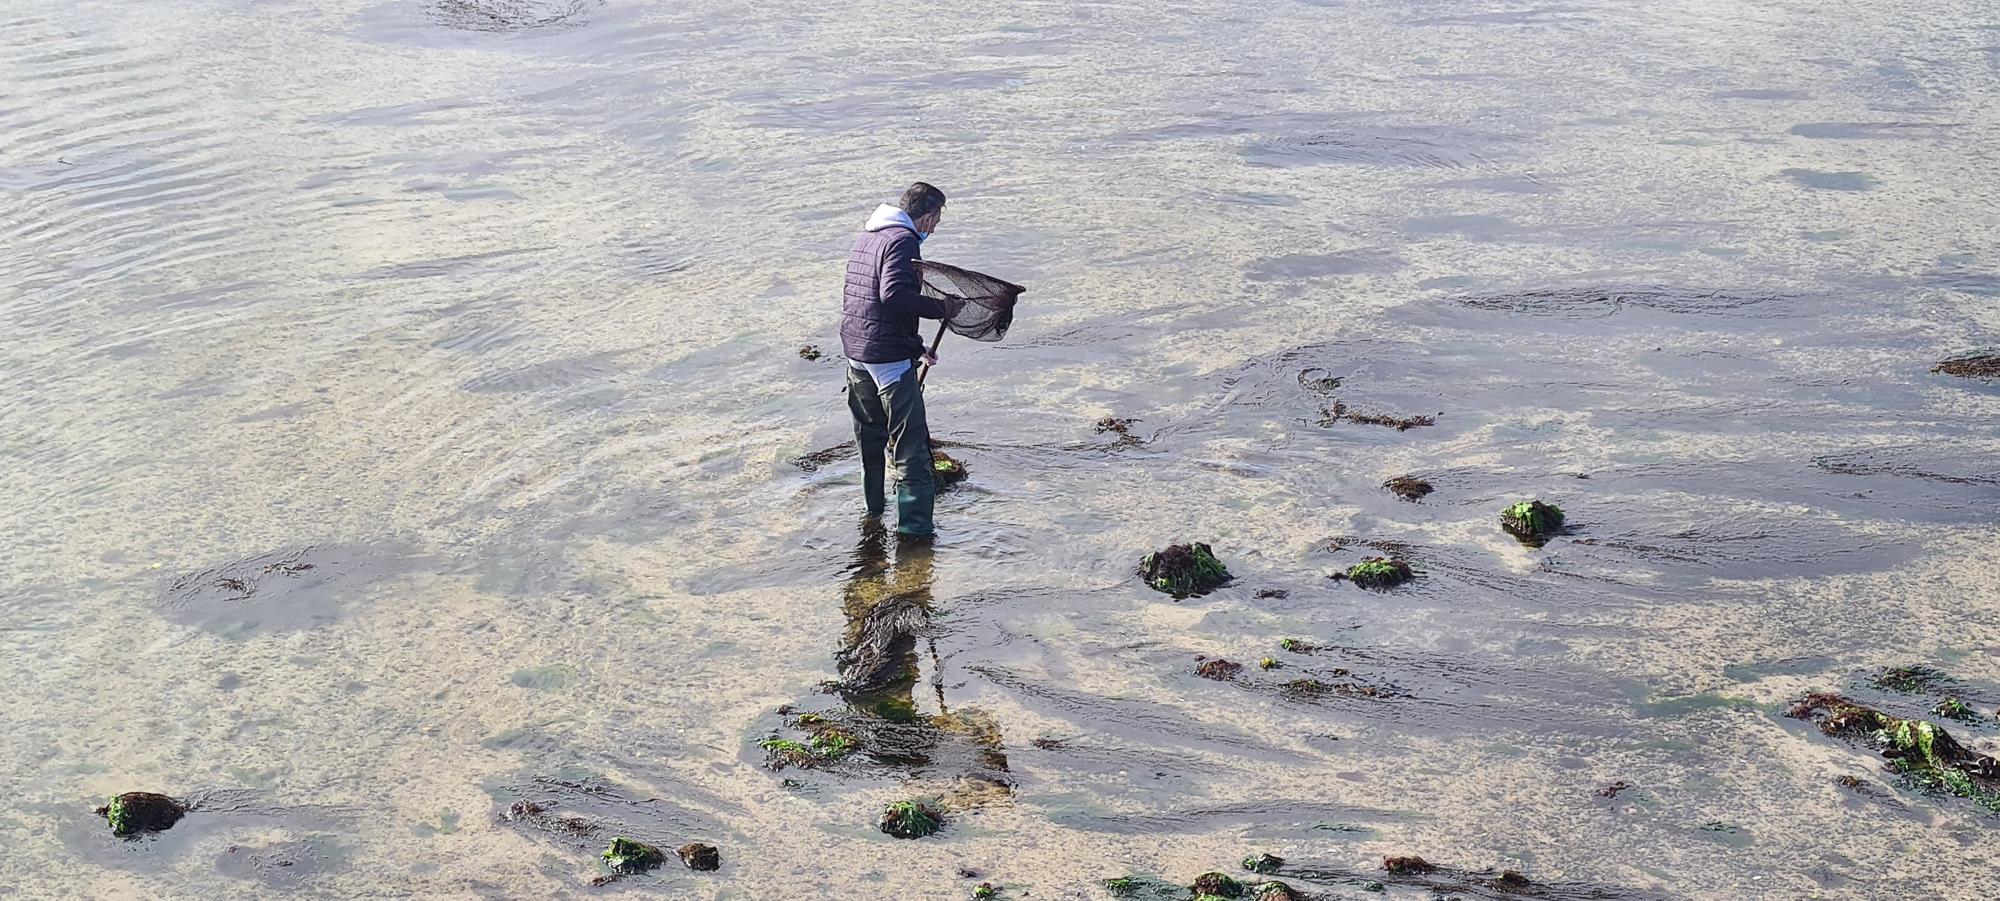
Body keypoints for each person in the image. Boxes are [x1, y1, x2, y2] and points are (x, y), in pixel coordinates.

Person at [840, 182, 964, 537]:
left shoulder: (868, 236)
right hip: (887, 361)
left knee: (871, 441)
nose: (936, 227)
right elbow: (892, 294)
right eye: (937, 219)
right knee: (912, 453)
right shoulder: (903, 240)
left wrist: (916, 346)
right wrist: (942, 308)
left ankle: (873, 514)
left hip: (857, 353)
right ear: (926, 216)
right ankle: (915, 535)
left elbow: (869, 305)